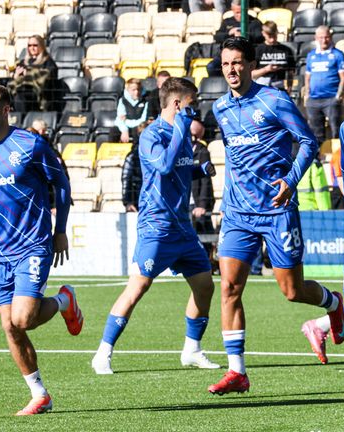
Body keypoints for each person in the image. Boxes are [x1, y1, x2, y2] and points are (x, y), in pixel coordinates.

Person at [207, 37, 344, 395]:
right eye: (226, 64)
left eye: (238, 62)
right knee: (229, 287)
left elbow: (309, 142)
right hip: (238, 213)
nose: (232, 70)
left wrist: (290, 179)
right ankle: (237, 371)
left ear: (251, 65)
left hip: (277, 210)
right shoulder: (221, 108)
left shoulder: (274, 100)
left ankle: (334, 303)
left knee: (291, 290)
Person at [0, 84, 80, 416]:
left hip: (32, 244)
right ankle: (40, 394)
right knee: (9, 326)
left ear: (6, 110)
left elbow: (62, 185)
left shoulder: (31, 144)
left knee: (23, 318)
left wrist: (60, 231)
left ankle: (63, 300)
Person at [92, 78, 222, 375]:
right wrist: (181, 131)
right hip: (157, 226)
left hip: (182, 227)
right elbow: (162, 166)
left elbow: (177, 167)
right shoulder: (152, 134)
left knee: (204, 285)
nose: (196, 110)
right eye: (192, 103)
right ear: (178, 104)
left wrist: (198, 168)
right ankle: (103, 352)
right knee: (138, 286)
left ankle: (192, 350)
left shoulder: (182, 133)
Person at [304, 26, 344, 146]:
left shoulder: (338, 55)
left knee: (336, 131)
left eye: (327, 37)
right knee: (316, 133)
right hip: (313, 100)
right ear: (316, 38)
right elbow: (307, 77)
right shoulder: (311, 55)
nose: (324, 40)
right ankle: (319, 159)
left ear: (331, 37)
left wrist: (338, 96)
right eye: (321, 37)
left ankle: (337, 160)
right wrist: (307, 95)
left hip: (331, 99)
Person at [9, 35, 58, 113]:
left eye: (35, 45)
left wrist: (27, 75)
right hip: (20, 90)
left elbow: (47, 79)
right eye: (29, 45)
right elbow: (15, 79)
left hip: (38, 94)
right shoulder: (23, 62)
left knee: (19, 98)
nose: (32, 48)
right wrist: (16, 76)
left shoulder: (48, 62)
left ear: (41, 46)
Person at [190, 118, 216, 257]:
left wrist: (202, 204)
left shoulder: (202, 151)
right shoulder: (179, 151)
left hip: (198, 202)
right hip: (185, 202)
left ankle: (209, 262)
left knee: (204, 233)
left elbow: (206, 180)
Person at [252, 21, 295, 92]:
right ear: (263, 33)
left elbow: (290, 72)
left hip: (279, 87)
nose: (272, 39)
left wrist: (289, 88)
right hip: (261, 87)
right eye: (269, 36)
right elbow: (251, 74)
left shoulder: (286, 50)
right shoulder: (258, 50)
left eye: (274, 36)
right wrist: (266, 69)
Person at [111, 78, 149, 144]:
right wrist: (124, 130)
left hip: (139, 126)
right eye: (133, 90)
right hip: (125, 126)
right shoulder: (122, 101)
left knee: (138, 131)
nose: (136, 92)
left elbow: (143, 119)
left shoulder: (146, 101)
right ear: (128, 90)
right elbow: (119, 119)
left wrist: (127, 121)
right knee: (113, 131)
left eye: (138, 89)